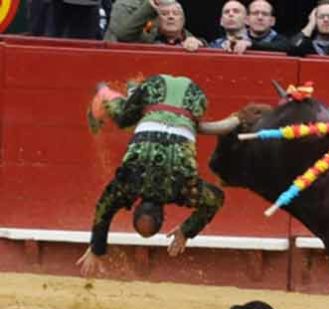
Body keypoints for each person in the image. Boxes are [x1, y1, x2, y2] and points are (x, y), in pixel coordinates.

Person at [77, 74, 240, 277]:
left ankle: (112, 93)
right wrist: (96, 248)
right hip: (172, 91)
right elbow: (104, 208)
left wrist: (186, 231)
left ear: (164, 215)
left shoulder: (181, 187)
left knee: (126, 119)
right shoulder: (130, 185)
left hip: (193, 96)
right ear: (135, 206)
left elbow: (215, 198)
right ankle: (117, 93)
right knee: (125, 120)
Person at [104, 0, 205, 51]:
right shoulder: (126, 4)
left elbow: (177, 29)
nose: (170, 17)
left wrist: (198, 42)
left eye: (175, 13)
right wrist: (150, 7)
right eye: (165, 14)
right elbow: (123, 35)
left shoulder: (186, 37)